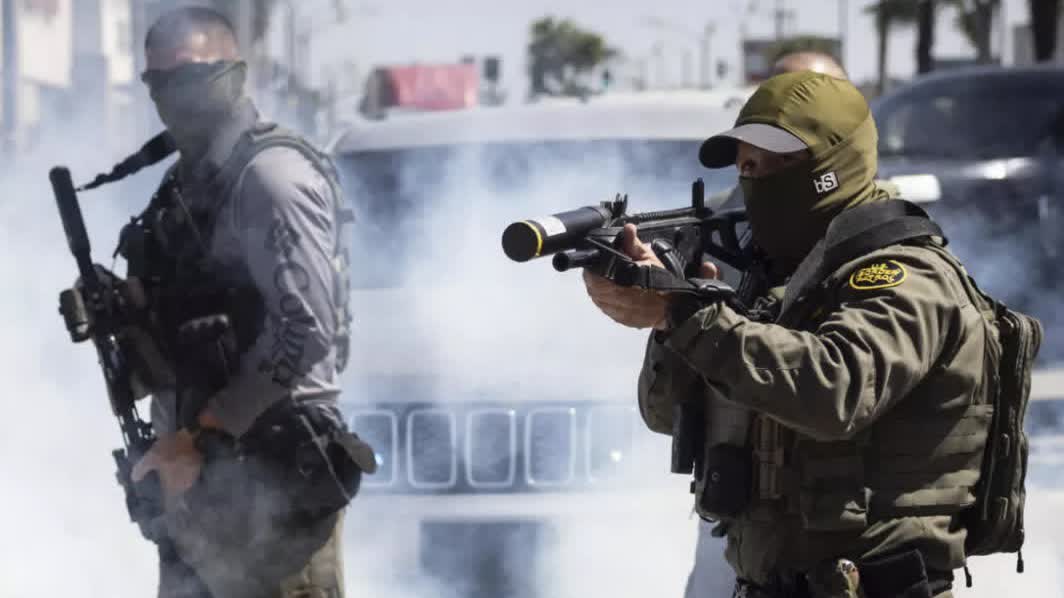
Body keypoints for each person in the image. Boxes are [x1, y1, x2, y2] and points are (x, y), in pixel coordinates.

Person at [583, 71, 998, 598]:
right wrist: (668, 315)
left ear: (836, 163)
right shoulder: (770, 279)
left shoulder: (903, 274)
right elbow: (667, 416)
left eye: (779, 161)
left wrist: (686, 317)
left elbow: (835, 389)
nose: (757, 179)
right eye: (747, 166)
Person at [111, 7, 373, 597]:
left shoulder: (269, 178)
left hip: (274, 489)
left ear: (233, 73)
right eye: (159, 80)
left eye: (191, 75)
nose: (174, 95)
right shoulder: (186, 184)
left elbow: (305, 328)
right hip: (198, 491)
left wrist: (202, 435)